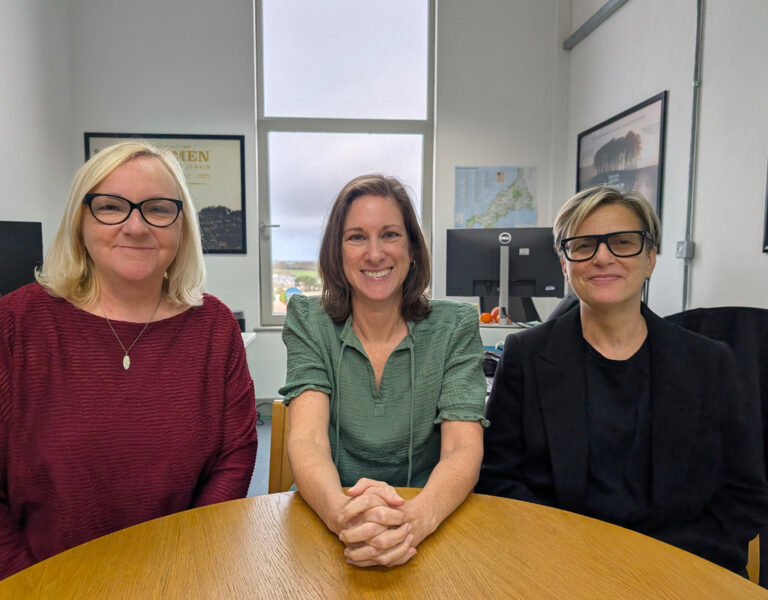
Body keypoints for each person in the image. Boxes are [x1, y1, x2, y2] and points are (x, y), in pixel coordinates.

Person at [477, 185, 768, 575]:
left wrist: (659, 567)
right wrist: (576, 557)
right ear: (564, 264)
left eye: (622, 242)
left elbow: (743, 493)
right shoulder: (525, 356)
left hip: (680, 571)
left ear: (650, 258)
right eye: (583, 246)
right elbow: (498, 478)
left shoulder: (711, 363)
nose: (602, 257)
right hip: (560, 565)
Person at [0, 141, 258, 579]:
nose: (136, 227)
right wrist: (32, 585)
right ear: (80, 220)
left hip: (182, 575)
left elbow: (234, 457)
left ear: (182, 227)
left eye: (158, 209)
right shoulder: (15, 323)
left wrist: (186, 561)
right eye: (111, 206)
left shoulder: (214, 326)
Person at [279, 174, 487, 567]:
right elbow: (309, 442)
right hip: (328, 518)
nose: (375, 254)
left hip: (429, 520)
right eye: (356, 237)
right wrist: (343, 517)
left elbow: (462, 448)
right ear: (337, 251)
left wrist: (414, 520)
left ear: (412, 248)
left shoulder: (455, 326)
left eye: (390, 235)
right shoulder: (308, 321)